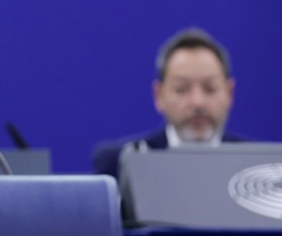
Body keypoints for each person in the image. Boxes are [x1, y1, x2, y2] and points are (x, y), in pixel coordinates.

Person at [92, 27, 247, 181]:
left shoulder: (257, 164)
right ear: (159, 95)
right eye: (181, 89)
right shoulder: (120, 163)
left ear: (229, 93)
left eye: (210, 89)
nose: (198, 102)